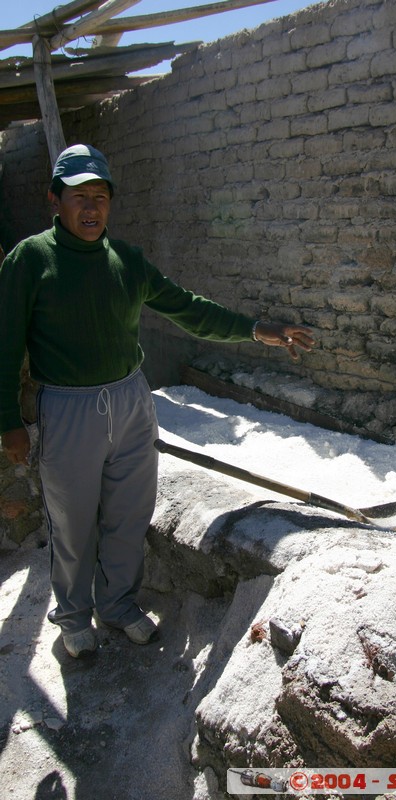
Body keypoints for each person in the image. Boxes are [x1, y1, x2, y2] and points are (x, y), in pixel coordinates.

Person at [0, 144, 315, 659]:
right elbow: (4, 343)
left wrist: (258, 330)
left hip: (130, 400)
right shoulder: (31, 260)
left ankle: (119, 605)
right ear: (54, 200)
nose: (91, 208)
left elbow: (188, 309)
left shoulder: (127, 261)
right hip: (68, 406)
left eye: (100, 196)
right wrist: (7, 419)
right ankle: (75, 617)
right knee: (72, 520)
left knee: (129, 512)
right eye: (79, 196)